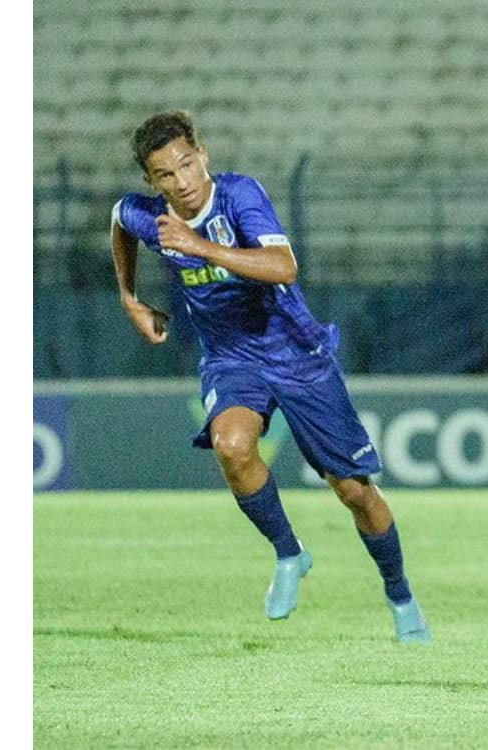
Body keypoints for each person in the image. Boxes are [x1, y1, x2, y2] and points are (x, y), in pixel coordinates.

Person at [108, 111, 430, 641]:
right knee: (231, 446)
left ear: (203, 155)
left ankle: (400, 595)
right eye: (166, 174)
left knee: (354, 492)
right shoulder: (151, 217)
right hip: (231, 356)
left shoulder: (239, 197)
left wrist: (201, 247)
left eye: (187, 164)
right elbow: (119, 220)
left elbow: (284, 267)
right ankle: (289, 553)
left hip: (297, 353)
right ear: (152, 181)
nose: (182, 181)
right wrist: (129, 297)